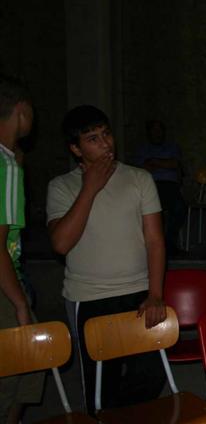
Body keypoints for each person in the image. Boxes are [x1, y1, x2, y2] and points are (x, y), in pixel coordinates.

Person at [46, 105, 167, 413]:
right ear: (76, 149)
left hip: (139, 293)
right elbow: (61, 243)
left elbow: (154, 240)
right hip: (90, 297)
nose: (105, 144)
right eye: (93, 139)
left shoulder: (139, 178)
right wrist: (90, 188)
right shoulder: (61, 186)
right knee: (102, 386)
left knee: (151, 376)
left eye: (106, 134)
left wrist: (155, 293)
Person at [0, 75, 41, 424]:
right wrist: (20, 303)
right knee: (19, 372)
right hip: (4, 284)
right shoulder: (7, 164)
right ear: (21, 111)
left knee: (29, 370)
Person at [134, 119, 186, 256]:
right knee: (153, 210)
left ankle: (169, 244)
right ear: (149, 133)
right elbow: (142, 169)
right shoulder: (143, 149)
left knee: (179, 209)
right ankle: (154, 246)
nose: (157, 133)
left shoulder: (172, 147)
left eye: (159, 130)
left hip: (170, 185)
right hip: (151, 186)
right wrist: (164, 163)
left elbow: (175, 164)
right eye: (154, 130)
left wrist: (154, 161)